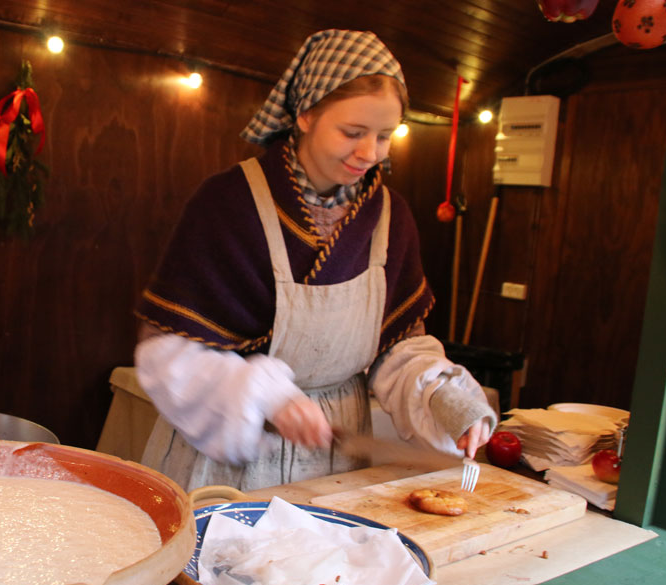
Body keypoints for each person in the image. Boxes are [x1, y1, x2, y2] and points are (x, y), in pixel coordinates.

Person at [133, 29, 496, 491]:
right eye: (353, 132)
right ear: (305, 114)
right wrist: (266, 396)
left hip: (341, 459)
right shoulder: (228, 203)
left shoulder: (391, 216)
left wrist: (448, 400)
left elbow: (396, 348)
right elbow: (166, 354)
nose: (371, 153)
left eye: (386, 136)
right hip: (233, 453)